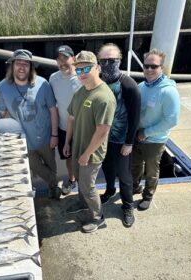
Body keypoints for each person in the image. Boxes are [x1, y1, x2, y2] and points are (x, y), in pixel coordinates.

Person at [0, 49, 62, 200]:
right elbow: (0, 113)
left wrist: (54, 135)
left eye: (26, 64)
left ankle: (53, 187)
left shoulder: (43, 84)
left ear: (31, 67)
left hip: (46, 137)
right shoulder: (2, 87)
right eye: (18, 63)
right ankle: (53, 182)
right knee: (35, 166)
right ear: (12, 66)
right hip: (23, 141)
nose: (22, 67)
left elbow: (53, 110)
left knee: (52, 165)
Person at [63, 51, 116, 233]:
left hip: (92, 152)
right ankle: (82, 203)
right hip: (78, 146)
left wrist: (87, 154)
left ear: (98, 68)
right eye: (78, 70)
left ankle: (98, 217)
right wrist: (67, 142)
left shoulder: (104, 97)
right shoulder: (80, 91)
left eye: (86, 68)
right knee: (79, 180)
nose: (82, 73)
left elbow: (102, 131)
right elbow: (71, 118)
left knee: (88, 186)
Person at [97, 43, 141, 227]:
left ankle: (128, 205)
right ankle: (108, 190)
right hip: (102, 139)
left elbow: (135, 117)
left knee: (124, 175)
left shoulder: (129, 85)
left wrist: (129, 143)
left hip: (122, 140)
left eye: (112, 60)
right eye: (104, 60)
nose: (107, 63)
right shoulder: (97, 81)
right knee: (107, 168)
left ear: (119, 61)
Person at [132, 48, 180, 210]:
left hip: (154, 140)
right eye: (146, 66)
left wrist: (146, 133)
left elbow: (172, 120)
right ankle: (135, 186)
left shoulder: (168, 91)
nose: (149, 70)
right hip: (137, 136)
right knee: (136, 165)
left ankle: (148, 195)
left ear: (162, 68)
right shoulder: (141, 86)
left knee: (152, 170)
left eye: (154, 66)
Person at [49, 45, 81, 195]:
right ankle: (72, 179)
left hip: (82, 129)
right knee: (68, 157)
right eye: (59, 59)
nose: (63, 63)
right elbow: (51, 105)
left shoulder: (83, 77)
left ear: (73, 58)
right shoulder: (53, 78)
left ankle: (85, 185)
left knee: (83, 159)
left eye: (66, 58)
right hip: (63, 127)